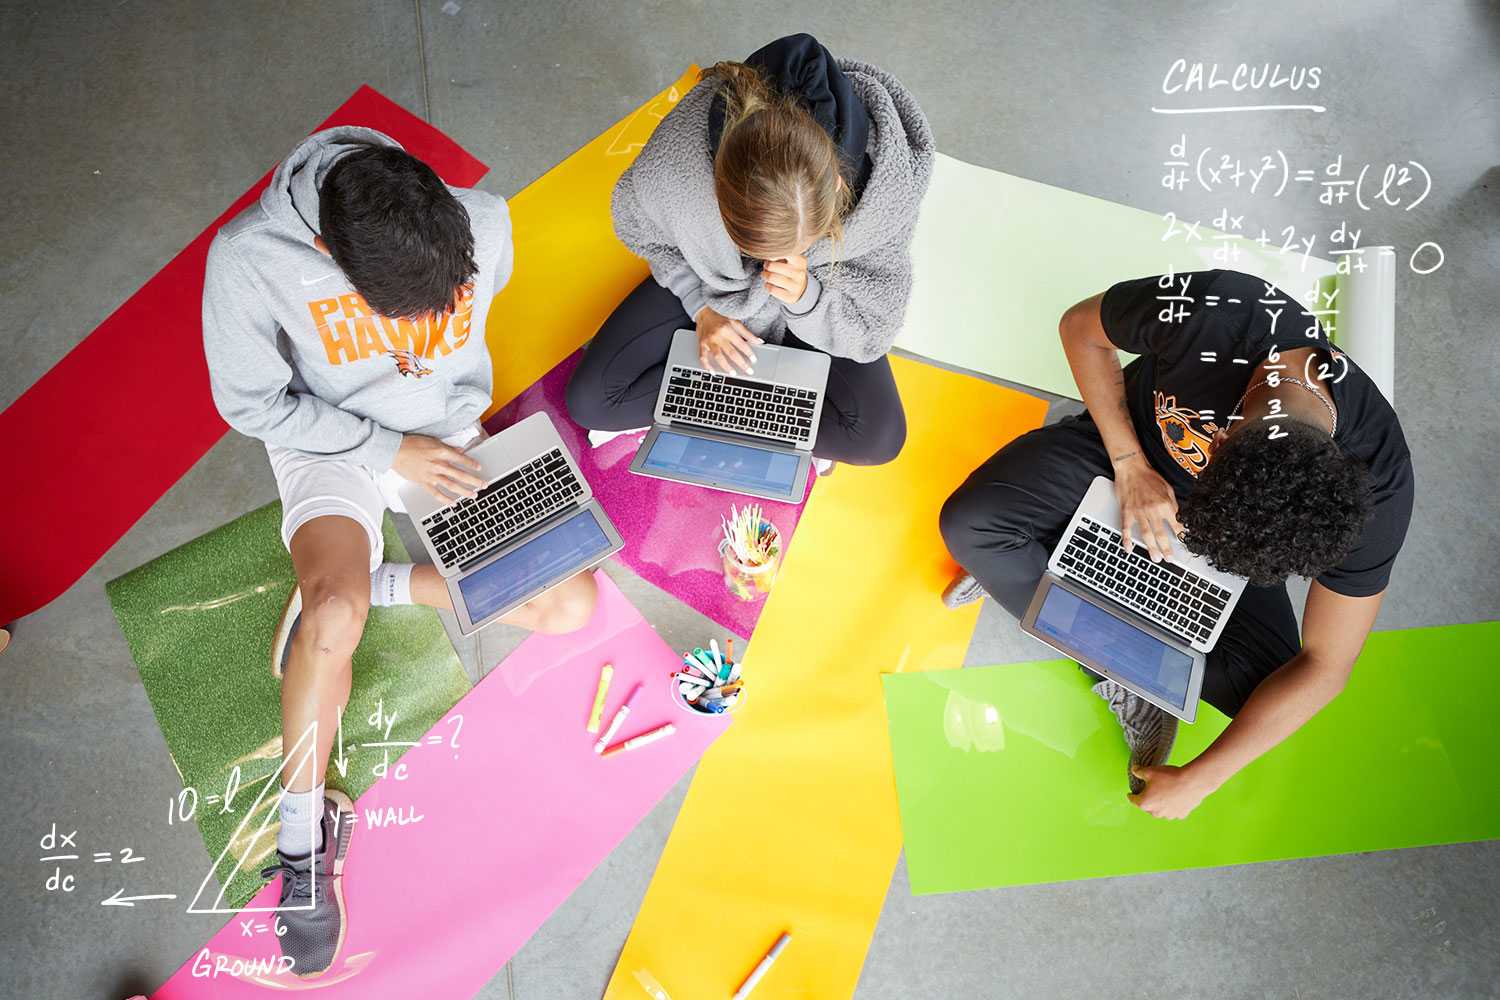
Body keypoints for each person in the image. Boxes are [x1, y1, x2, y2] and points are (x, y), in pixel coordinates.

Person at [201, 128, 598, 978]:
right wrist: (385, 449)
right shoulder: (248, 257)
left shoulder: (482, 222)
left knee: (570, 607)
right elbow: (250, 404)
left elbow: (454, 356)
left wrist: (443, 439)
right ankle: (305, 840)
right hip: (331, 444)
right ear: (323, 251)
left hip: (451, 442)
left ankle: (374, 585)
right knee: (331, 619)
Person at [940, 269, 1413, 819]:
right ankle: (1072, 576)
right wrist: (1130, 463)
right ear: (1216, 439)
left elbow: (1327, 665)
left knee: (1265, 689)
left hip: (1230, 531)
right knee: (971, 524)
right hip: (1119, 458)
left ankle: (1056, 572)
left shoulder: (1380, 485)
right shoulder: (1219, 314)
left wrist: (1200, 780)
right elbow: (1079, 328)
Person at [564, 33, 934, 468]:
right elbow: (646, 231)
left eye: (801, 246)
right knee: (590, 401)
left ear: (836, 187)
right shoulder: (678, 167)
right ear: (718, 196)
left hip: (823, 301)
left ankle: (712, 408)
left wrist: (807, 298)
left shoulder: (886, 186)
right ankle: (780, 416)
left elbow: (876, 320)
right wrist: (703, 307)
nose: (770, 265)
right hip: (716, 288)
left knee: (880, 439)